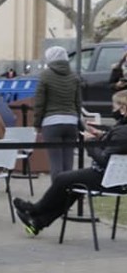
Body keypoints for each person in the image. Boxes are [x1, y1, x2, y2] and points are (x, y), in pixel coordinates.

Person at [14, 90, 127, 236]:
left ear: (123, 109)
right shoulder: (122, 128)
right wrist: (101, 135)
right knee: (72, 185)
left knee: (63, 178)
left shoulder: (123, 131)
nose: (113, 110)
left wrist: (90, 143)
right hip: (119, 178)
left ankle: (35, 209)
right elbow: (117, 144)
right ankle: (38, 222)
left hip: (109, 179)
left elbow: (105, 159)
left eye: (114, 107)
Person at [33, 46, 82, 181]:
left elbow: (39, 102)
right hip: (71, 121)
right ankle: (69, 192)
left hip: (51, 122)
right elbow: (78, 102)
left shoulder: (45, 75)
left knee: (56, 163)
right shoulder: (74, 76)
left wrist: (37, 123)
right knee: (68, 162)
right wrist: (79, 121)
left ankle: (57, 194)